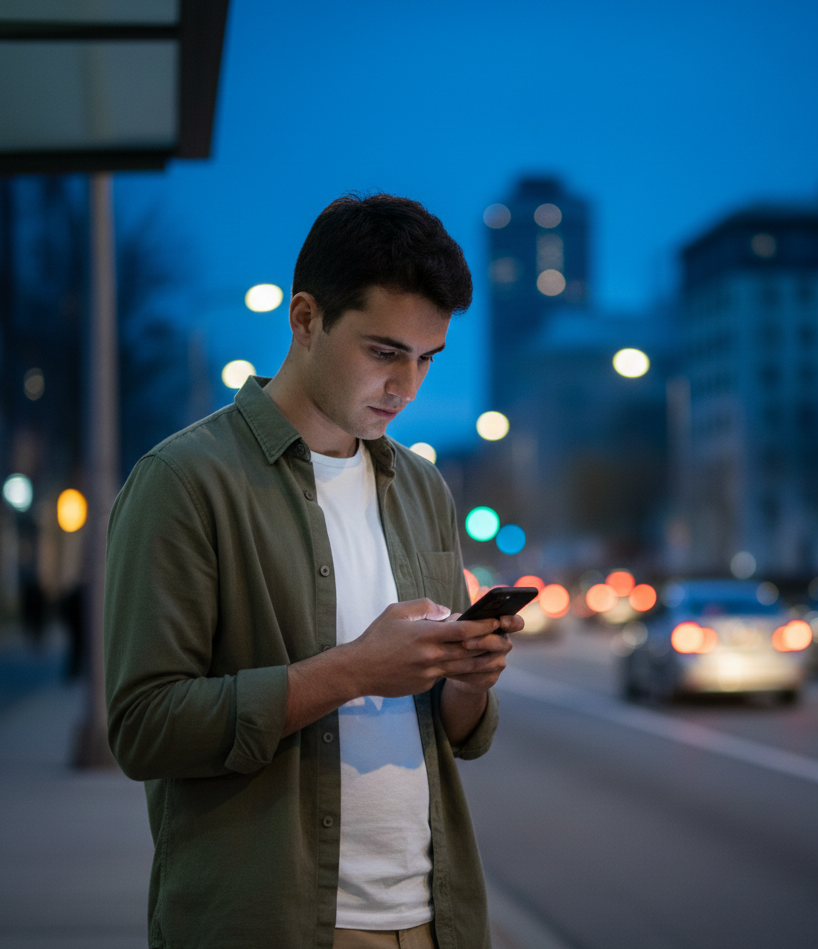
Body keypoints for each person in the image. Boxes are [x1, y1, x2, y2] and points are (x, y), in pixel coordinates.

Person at [104, 194, 522, 949]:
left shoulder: (423, 487)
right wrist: (355, 669)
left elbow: (457, 734)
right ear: (304, 320)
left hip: (435, 917)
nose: (408, 386)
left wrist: (465, 675)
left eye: (428, 358)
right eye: (384, 351)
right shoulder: (184, 480)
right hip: (274, 919)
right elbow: (142, 728)